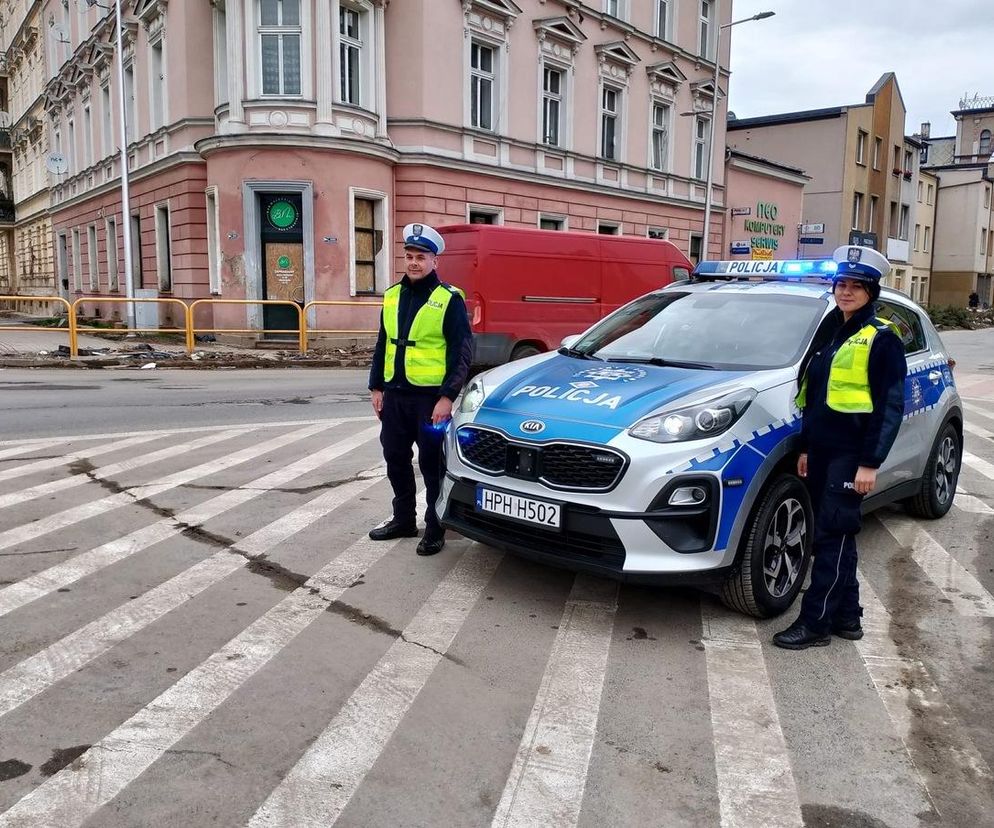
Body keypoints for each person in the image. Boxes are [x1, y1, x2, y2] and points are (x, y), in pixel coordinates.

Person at [773, 245, 907, 650]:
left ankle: (815, 623)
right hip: (824, 451)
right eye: (841, 283)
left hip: (852, 455)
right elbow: (817, 399)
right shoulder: (834, 332)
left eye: (856, 286)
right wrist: (808, 448)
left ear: (871, 292)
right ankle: (848, 617)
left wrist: (870, 463)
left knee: (831, 536)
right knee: (838, 535)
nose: (846, 291)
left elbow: (890, 406)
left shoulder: (882, 339)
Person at [367, 223, 473, 556]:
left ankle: (435, 526)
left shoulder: (449, 300)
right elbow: (383, 343)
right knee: (395, 458)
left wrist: (447, 397)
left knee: (432, 464)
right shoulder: (392, 295)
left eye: (421, 257)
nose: (414, 262)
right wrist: (376, 387)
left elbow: (462, 352)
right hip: (395, 397)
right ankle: (403, 519)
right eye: (409, 256)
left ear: (434, 261)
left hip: (430, 401)